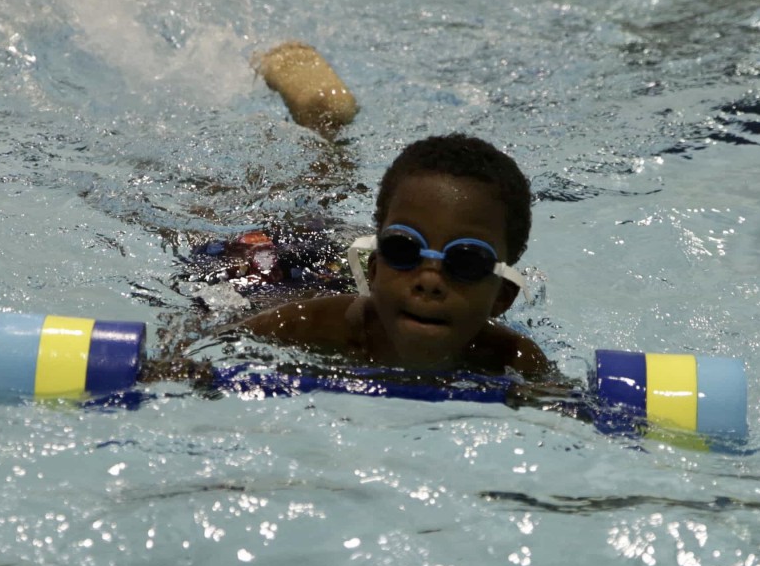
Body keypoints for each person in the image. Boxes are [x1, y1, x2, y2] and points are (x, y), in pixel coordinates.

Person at [229, 44, 551, 379]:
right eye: (403, 249)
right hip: (277, 275)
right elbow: (202, 347)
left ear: (502, 296)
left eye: (467, 262)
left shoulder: (513, 360)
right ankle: (324, 122)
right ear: (375, 268)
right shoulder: (308, 326)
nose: (429, 280)